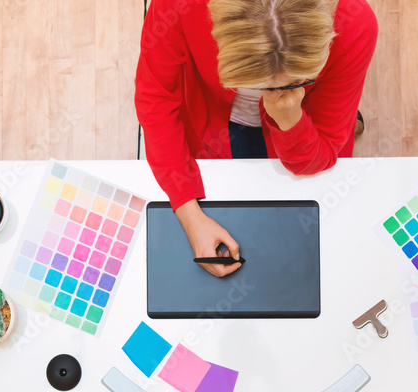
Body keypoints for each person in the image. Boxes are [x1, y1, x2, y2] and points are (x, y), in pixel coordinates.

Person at [135, 0, 378, 277]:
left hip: (300, 119)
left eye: (294, 82)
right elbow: (156, 98)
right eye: (257, 84)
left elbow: (320, 155)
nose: (270, 94)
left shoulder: (356, 23)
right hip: (210, 120)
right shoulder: (178, 5)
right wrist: (190, 216)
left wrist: (290, 120)